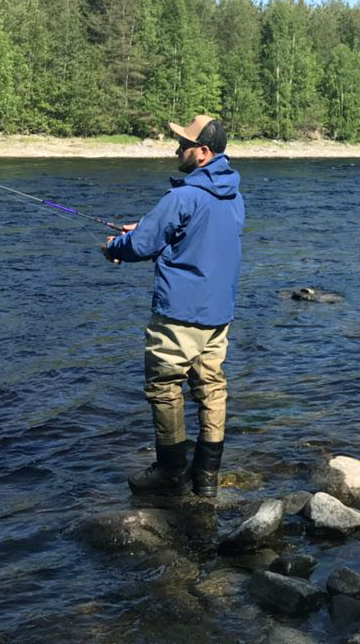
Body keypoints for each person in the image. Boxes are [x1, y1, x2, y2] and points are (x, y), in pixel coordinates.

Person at [101, 115, 245, 497]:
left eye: (183, 143)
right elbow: (193, 238)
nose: (176, 149)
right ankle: (207, 479)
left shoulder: (183, 196)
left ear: (202, 152)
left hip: (180, 313)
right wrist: (149, 228)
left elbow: (141, 245)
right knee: (211, 389)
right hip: (218, 315)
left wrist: (114, 248)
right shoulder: (234, 195)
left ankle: (171, 473)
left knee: (164, 387)